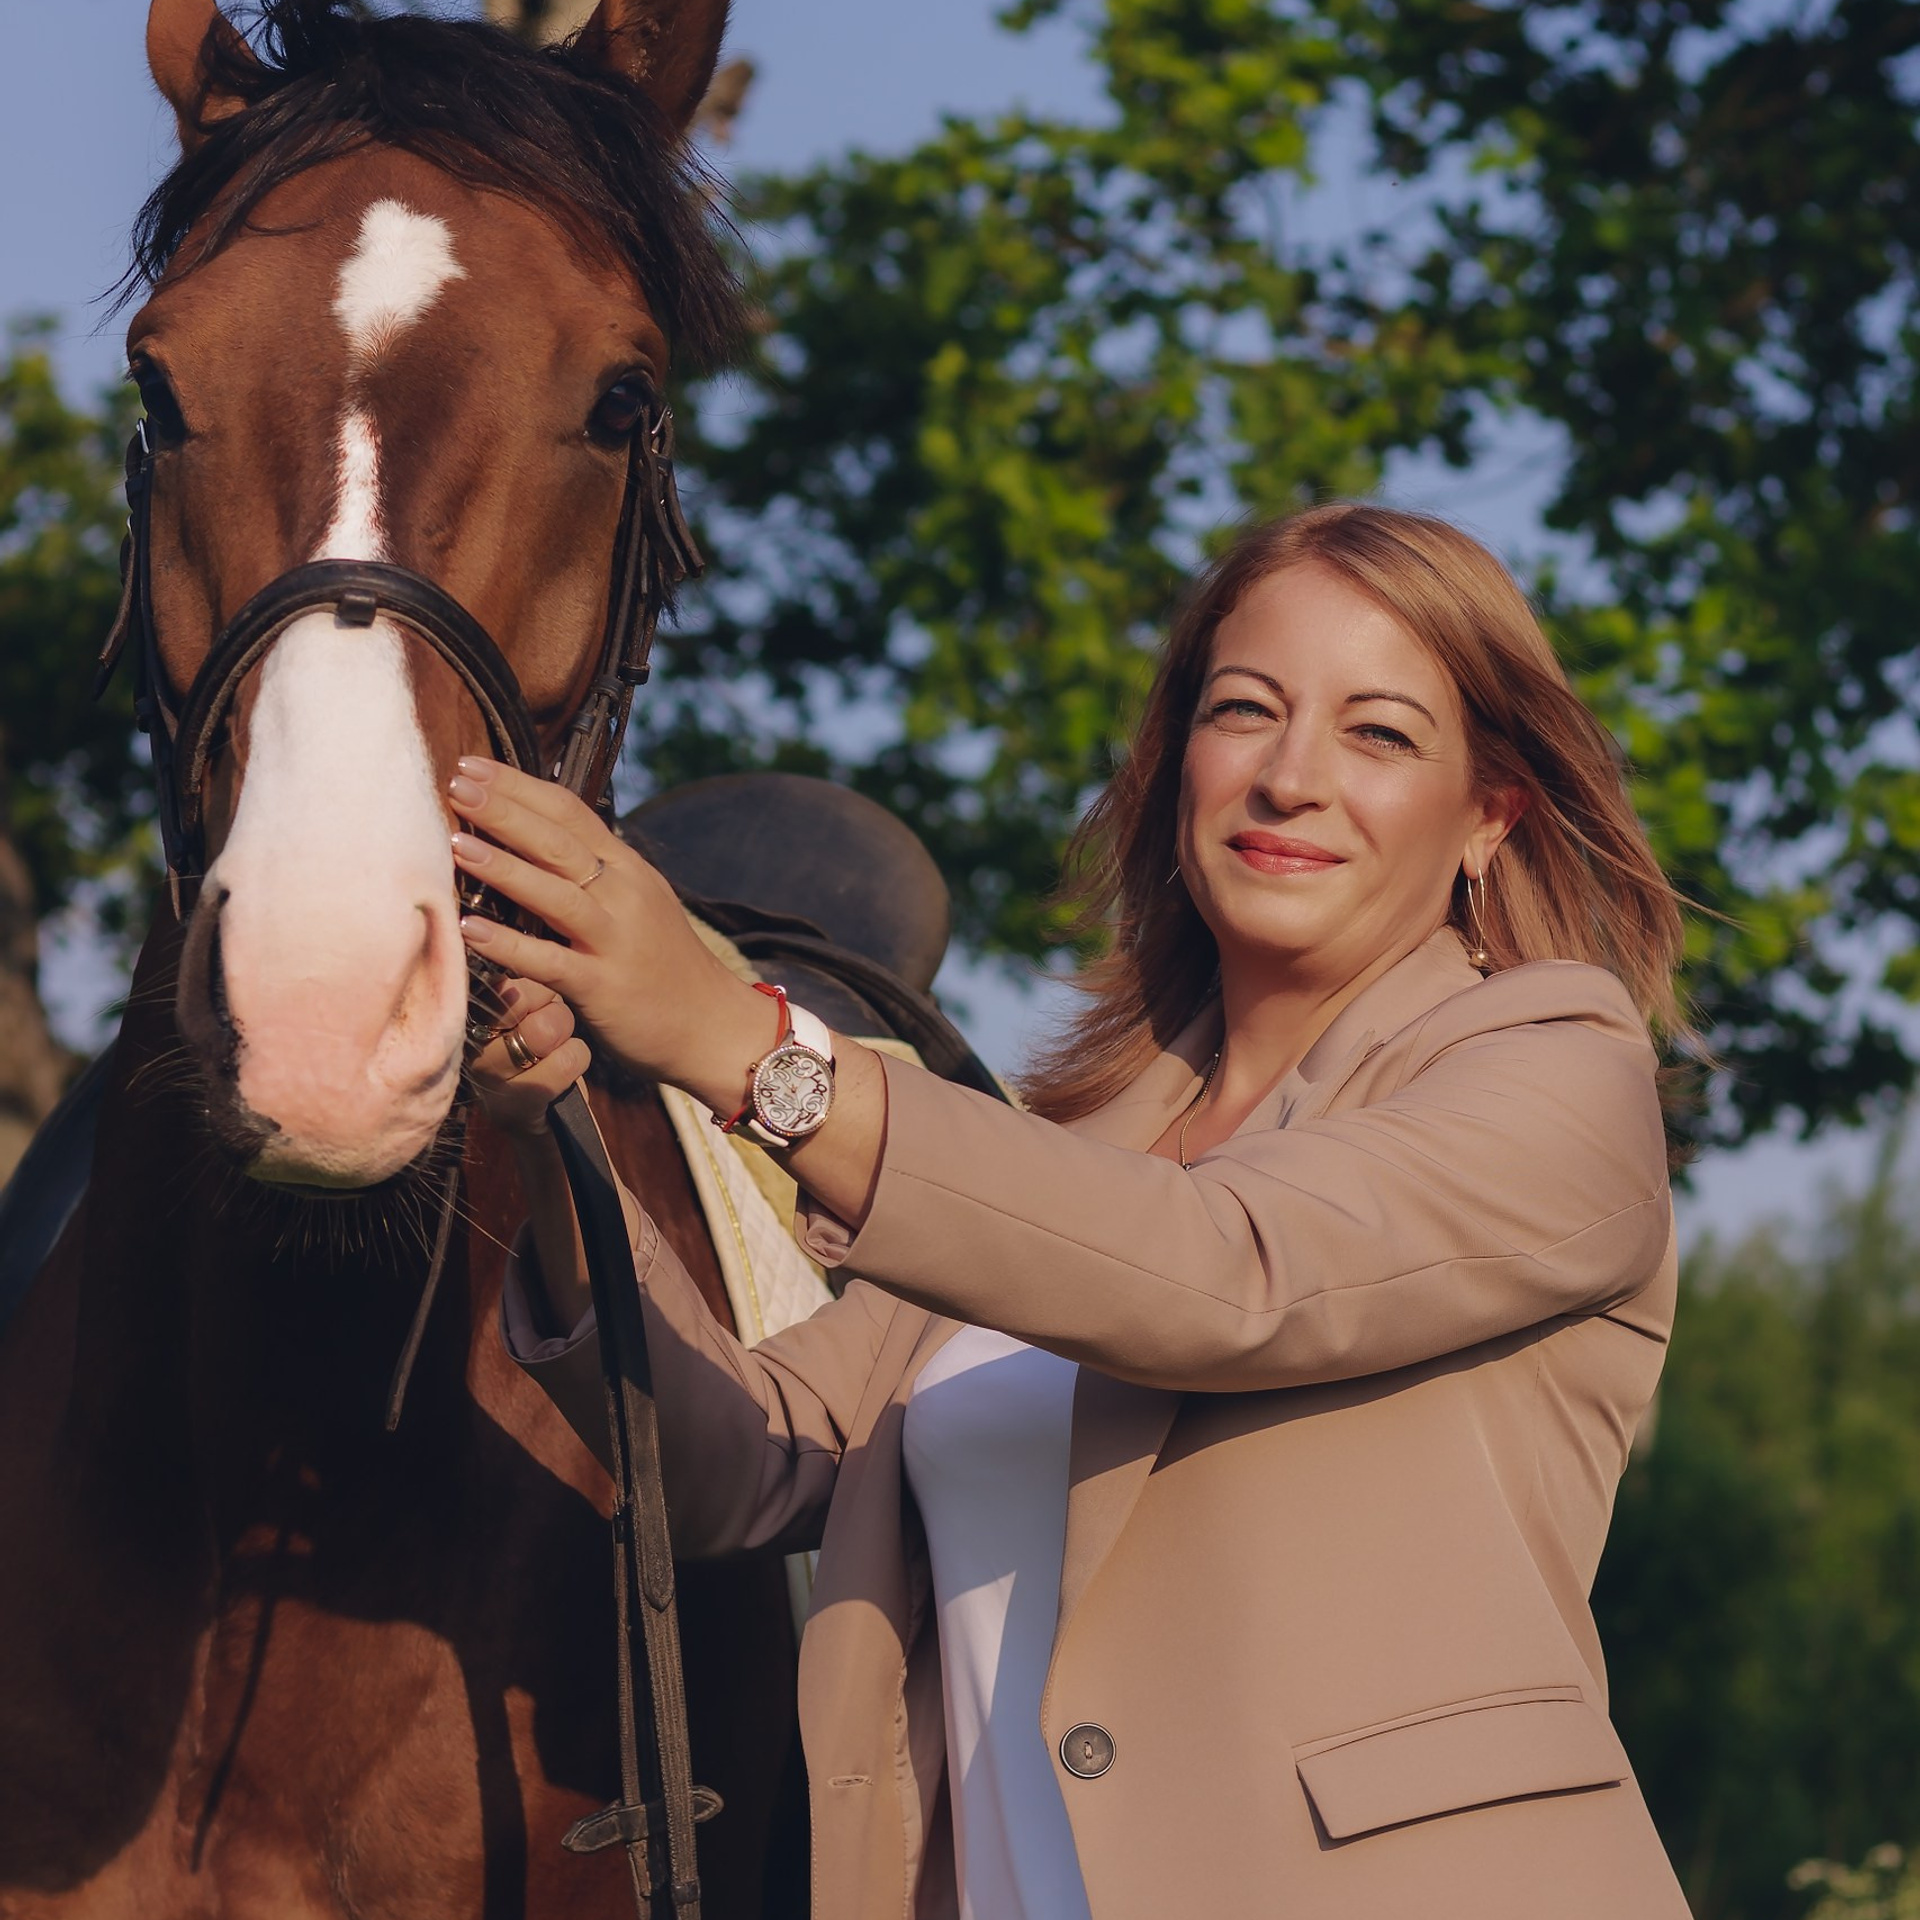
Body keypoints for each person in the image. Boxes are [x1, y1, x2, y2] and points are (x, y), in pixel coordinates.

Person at [454, 503, 1695, 1920]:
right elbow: (745, 1462)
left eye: (1379, 734)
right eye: (1245, 711)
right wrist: (554, 1131)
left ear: (1490, 816)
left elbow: (1226, 1277)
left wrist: (742, 1042)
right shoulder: (1054, 1163)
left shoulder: (1558, 1072)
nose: (1292, 778)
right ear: (1180, 768)